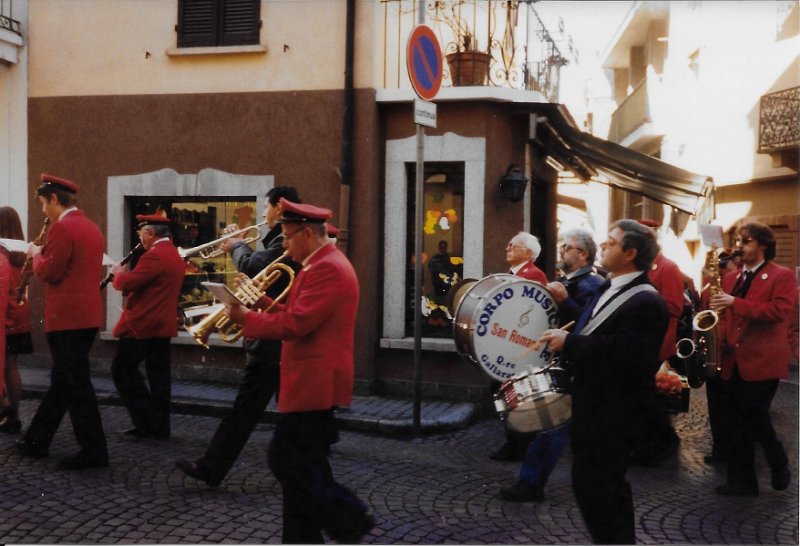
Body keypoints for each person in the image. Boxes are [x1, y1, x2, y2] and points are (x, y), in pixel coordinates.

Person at [224, 198, 373, 544]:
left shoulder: (326, 267)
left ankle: (351, 516)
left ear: (307, 233)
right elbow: (301, 313)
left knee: (286, 459)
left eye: (288, 237)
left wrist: (247, 320)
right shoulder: (317, 263)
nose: (285, 245)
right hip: (310, 378)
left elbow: (300, 323)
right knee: (304, 467)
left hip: (314, 380)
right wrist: (263, 304)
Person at [539, 219, 667, 544]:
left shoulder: (647, 301)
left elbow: (626, 356)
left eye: (611, 242)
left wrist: (569, 344)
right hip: (592, 406)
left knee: (603, 491)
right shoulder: (610, 287)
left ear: (630, 252)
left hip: (613, 414)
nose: (604, 246)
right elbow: (590, 332)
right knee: (593, 488)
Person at [176, 186, 301, 487]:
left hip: (271, 344)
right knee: (290, 414)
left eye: (266, 207)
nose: (262, 214)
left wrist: (235, 245)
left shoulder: (285, 242)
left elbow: (255, 265)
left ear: (279, 210)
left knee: (246, 411)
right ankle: (307, 464)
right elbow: (257, 272)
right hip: (274, 340)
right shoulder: (278, 239)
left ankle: (212, 467)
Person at [501, 227, 604, 502]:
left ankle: (531, 484)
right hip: (565, 365)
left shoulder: (593, 285)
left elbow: (592, 326)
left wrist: (565, 302)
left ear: (582, 255)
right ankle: (532, 483)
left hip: (577, 368)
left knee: (553, 427)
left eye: (566, 248)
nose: (560, 251)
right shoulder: (569, 281)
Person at [16, 174, 108, 471]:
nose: (43, 210)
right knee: (64, 383)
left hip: (66, 318)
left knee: (75, 385)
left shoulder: (62, 229)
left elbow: (51, 272)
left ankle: (94, 450)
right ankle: (36, 441)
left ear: (54, 199)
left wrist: (36, 254)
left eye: (44, 203)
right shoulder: (91, 227)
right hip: (86, 316)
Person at [711, 222, 796, 496]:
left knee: (754, 417)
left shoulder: (780, 275)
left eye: (745, 241)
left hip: (763, 360)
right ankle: (743, 483)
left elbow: (779, 311)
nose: (739, 246)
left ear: (763, 244)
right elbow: (725, 316)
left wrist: (735, 304)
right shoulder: (731, 278)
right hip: (733, 359)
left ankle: (778, 460)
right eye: (737, 240)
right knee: (737, 422)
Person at [110, 214, 185, 440]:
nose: (140, 239)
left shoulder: (154, 256)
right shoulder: (173, 253)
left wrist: (117, 274)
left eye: (141, 234)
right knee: (158, 377)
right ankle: (159, 426)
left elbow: (129, 282)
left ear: (150, 233)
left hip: (143, 326)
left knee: (122, 370)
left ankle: (146, 420)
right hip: (162, 325)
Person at [627, 219, 685, 467]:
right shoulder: (640, 266)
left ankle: (663, 441)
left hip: (658, 340)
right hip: (640, 340)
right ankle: (649, 441)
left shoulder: (668, 267)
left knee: (648, 395)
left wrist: (643, 301)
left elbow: (674, 306)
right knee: (642, 394)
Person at [490, 231, 548, 462]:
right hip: (508, 346)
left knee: (513, 398)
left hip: (517, 349)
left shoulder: (533, 275)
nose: (507, 247)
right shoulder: (513, 274)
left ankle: (517, 445)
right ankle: (514, 442)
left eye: (512, 245)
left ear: (528, 252)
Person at [701, 247, 739, 464]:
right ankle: (720, 448)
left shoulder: (735, 282)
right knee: (716, 406)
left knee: (730, 406)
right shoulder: (710, 283)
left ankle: (729, 449)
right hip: (714, 348)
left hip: (729, 349)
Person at [0, 206, 34, 434]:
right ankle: (15, 415)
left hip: (4, 314)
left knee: (5, 366)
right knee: (12, 367)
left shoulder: (2, 252)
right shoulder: (23, 253)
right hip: (20, 314)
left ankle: (7, 412)